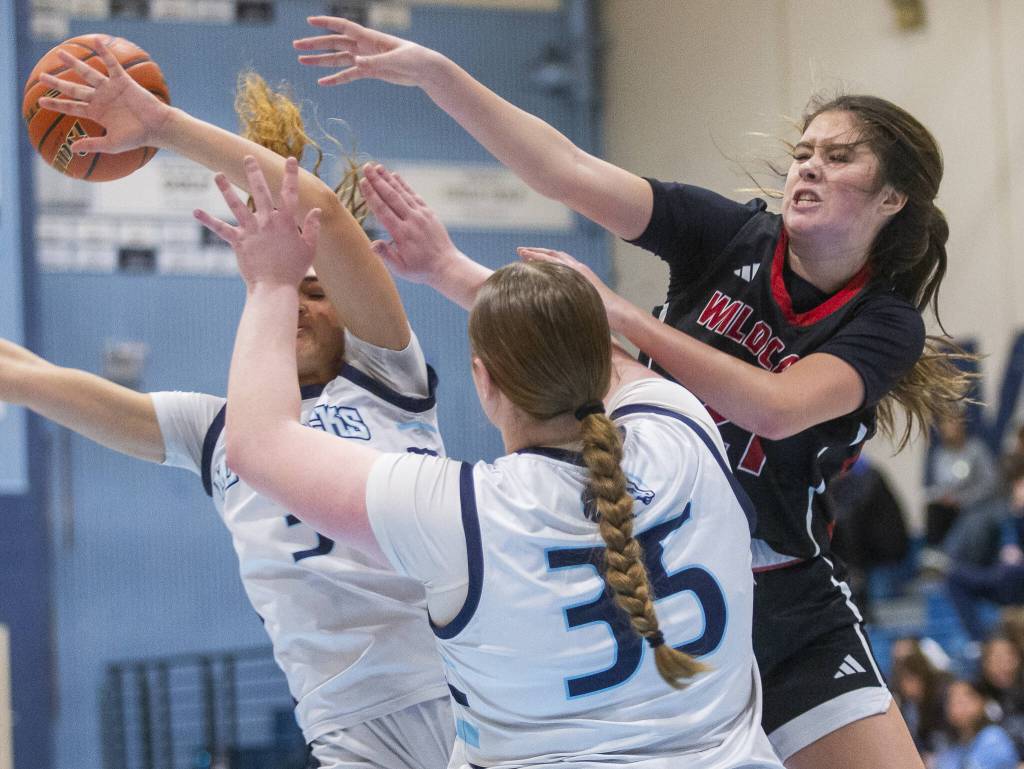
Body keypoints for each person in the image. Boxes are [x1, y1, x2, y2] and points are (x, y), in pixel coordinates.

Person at [291, 18, 973, 767]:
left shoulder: (884, 323)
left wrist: (620, 317)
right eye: (803, 152)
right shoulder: (728, 235)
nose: (807, 168)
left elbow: (774, 407)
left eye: (838, 157)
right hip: (663, 577)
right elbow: (564, 167)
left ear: (894, 198)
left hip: (783, 598)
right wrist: (435, 75)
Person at [201, 153, 784, 769]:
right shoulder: (681, 428)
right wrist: (451, 271)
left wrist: (269, 285)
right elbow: (600, 359)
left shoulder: (462, 514)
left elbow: (257, 444)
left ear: (483, 382)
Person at [31, 41, 454, 768]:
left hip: (462, 690)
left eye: (315, 293)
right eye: (282, 294)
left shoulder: (388, 370)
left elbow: (318, 209)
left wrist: (162, 126)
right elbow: (29, 376)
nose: (295, 309)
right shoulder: (217, 431)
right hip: (347, 727)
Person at [946, 455, 1024, 642]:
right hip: (1000, 576)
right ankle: (981, 641)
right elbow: (976, 551)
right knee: (955, 576)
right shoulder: (998, 514)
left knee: (1011, 570)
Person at [931, 679, 1020, 769]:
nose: (959, 705)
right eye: (952, 700)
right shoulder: (951, 748)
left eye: (966, 698)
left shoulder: (993, 737)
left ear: (982, 701)